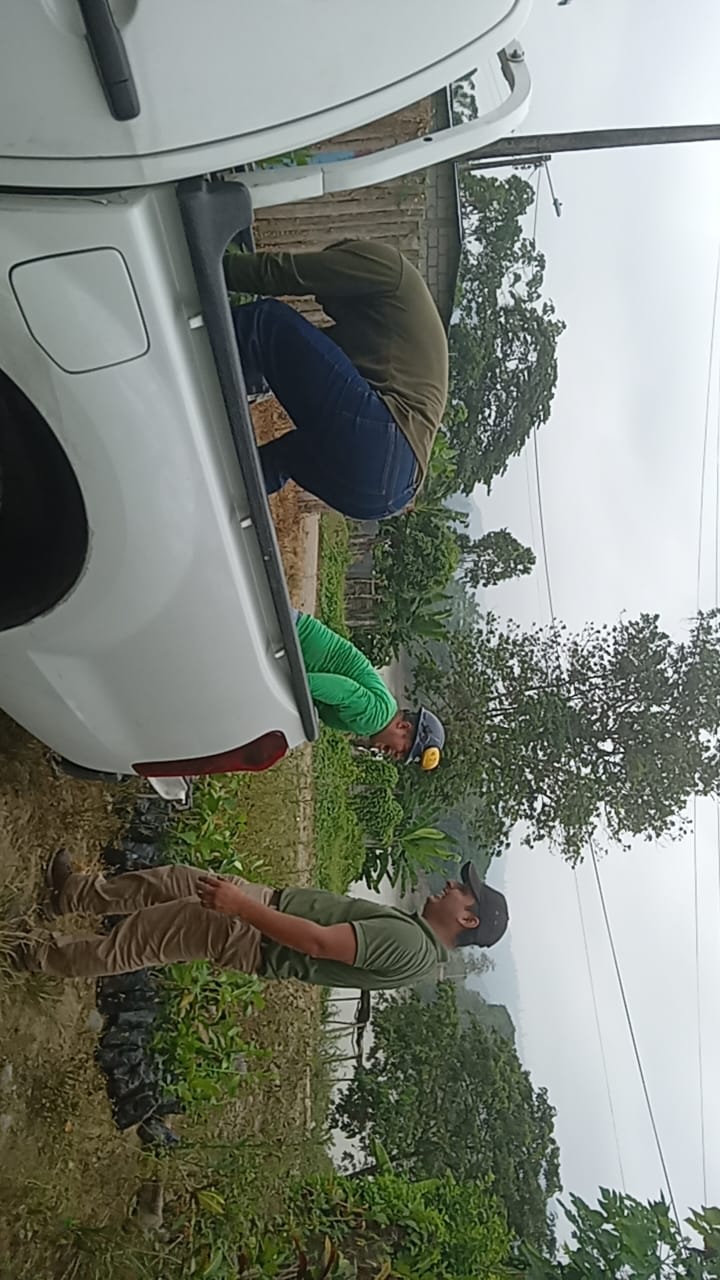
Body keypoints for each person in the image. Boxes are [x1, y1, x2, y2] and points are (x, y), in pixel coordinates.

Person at [18, 852, 509, 988]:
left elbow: (319, 944)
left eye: (464, 891)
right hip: (259, 910)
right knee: (170, 880)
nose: (452, 885)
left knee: (138, 940)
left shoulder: (411, 947)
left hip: (251, 931)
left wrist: (241, 908)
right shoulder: (417, 941)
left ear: (468, 920)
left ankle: (31, 954)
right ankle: (74, 894)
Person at [226, 238, 449, 520]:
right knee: (286, 457)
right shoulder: (375, 332)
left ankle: (181, 341)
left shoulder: (386, 267)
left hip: (384, 438)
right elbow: (293, 365)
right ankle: (216, 491)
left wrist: (215, 266)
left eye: (325, 292)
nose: (320, 301)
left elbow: (284, 273)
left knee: (266, 321)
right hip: (389, 497)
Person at [295, 609, 445, 769]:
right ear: (403, 726)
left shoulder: (384, 711)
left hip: (295, 635)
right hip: (291, 640)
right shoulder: (375, 719)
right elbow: (341, 690)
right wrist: (290, 685)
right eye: (404, 750)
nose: (396, 756)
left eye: (403, 758)